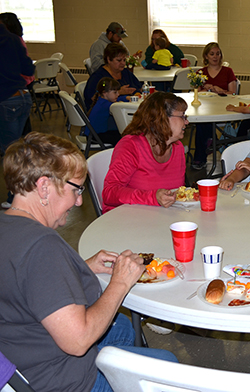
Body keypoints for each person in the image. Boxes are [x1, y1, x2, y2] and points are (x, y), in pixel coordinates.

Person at [0, 132, 178, 392]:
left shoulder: (8, 226)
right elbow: (78, 341)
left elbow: (24, 281)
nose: (80, 201)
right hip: (62, 380)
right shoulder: (42, 247)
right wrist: (120, 282)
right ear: (44, 187)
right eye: (76, 189)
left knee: (123, 328)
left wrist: (80, 267)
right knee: (168, 367)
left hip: (21, 353)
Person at [102, 92, 187, 213]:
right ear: (162, 118)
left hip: (161, 217)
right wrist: (152, 197)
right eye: (182, 116)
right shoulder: (130, 146)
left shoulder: (177, 147)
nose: (186, 122)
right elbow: (110, 193)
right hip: (125, 218)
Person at [0, 17, 34, 209]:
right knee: (17, 151)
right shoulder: (13, 39)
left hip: (6, 101)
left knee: (11, 154)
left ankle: (16, 199)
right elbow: (28, 68)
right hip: (23, 98)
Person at [192, 42, 238, 170]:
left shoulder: (227, 71)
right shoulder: (201, 72)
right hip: (206, 109)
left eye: (217, 54)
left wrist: (220, 90)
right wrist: (206, 89)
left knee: (204, 124)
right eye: (212, 54)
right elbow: (196, 94)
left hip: (224, 109)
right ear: (206, 56)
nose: (215, 57)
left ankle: (209, 144)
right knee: (202, 122)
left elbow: (233, 93)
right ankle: (202, 155)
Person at [84, 43, 142, 110]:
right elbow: (93, 98)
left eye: (124, 60)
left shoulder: (125, 73)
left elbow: (138, 87)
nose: (123, 63)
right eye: (119, 60)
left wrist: (137, 94)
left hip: (124, 109)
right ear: (109, 59)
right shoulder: (99, 77)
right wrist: (119, 92)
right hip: (106, 113)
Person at [86, 77, 123, 146]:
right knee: (123, 138)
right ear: (105, 93)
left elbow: (118, 99)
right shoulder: (106, 105)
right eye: (115, 92)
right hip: (96, 137)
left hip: (93, 135)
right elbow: (116, 105)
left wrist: (126, 98)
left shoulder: (101, 101)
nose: (118, 94)